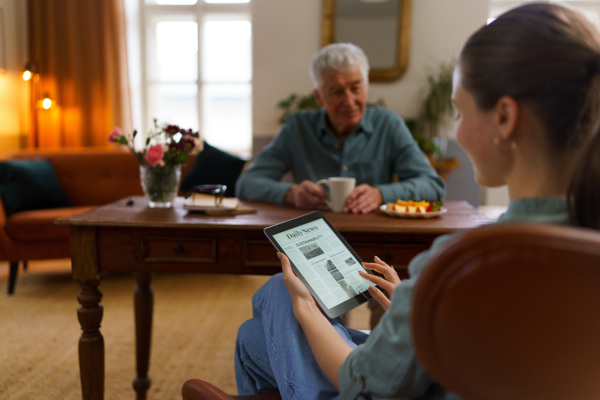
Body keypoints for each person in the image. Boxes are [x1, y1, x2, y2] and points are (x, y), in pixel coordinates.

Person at [234, 3, 600, 399]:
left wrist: (306, 306)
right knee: (255, 334)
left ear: (504, 119)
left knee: (277, 297)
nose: (456, 134)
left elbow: (360, 385)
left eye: (458, 113)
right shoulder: (577, 237)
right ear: (320, 96)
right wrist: (415, 311)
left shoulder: (458, 265)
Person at [235, 43, 445, 214]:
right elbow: (247, 183)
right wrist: (292, 193)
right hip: (312, 238)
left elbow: (433, 186)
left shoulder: (389, 124)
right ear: (319, 97)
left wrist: (381, 194)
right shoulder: (297, 128)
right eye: (336, 92)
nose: (349, 101)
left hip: (376, 239)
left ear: (367, 88)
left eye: (355, 88)